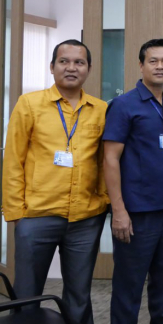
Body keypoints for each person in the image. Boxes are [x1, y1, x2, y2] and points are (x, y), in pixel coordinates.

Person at [2, 40, 107, 324]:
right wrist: (16, 214)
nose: (71, 67)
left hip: (86, 218)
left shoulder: (100, 109)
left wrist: (103, 200)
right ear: (52, 67)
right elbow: (13, 160)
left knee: (79, 294)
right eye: (64, 61)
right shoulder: (29, 104)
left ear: (88, 68)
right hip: (37, 215)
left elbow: (104, 161)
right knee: (27, 294)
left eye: (79, 62)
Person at [103, 38, 163, 324]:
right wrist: (119, 211)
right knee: (129, 287)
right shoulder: (123, 105)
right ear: (141, 65)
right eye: (153, 61)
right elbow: (110, 159)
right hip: (138, 213)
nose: (160, 66)